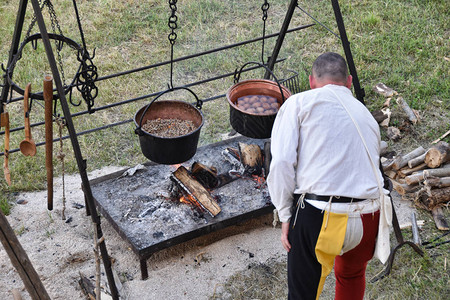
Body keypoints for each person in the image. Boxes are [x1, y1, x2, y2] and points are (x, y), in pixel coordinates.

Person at [267, 52, 386, 300]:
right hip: (369, 216)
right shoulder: (365, 114)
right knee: (351, 277)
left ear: (311, 81)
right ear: (349, 82)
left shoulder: (299, 103)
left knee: (303, 295)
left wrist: (285, 214)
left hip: (323, 215)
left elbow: (282, 163)